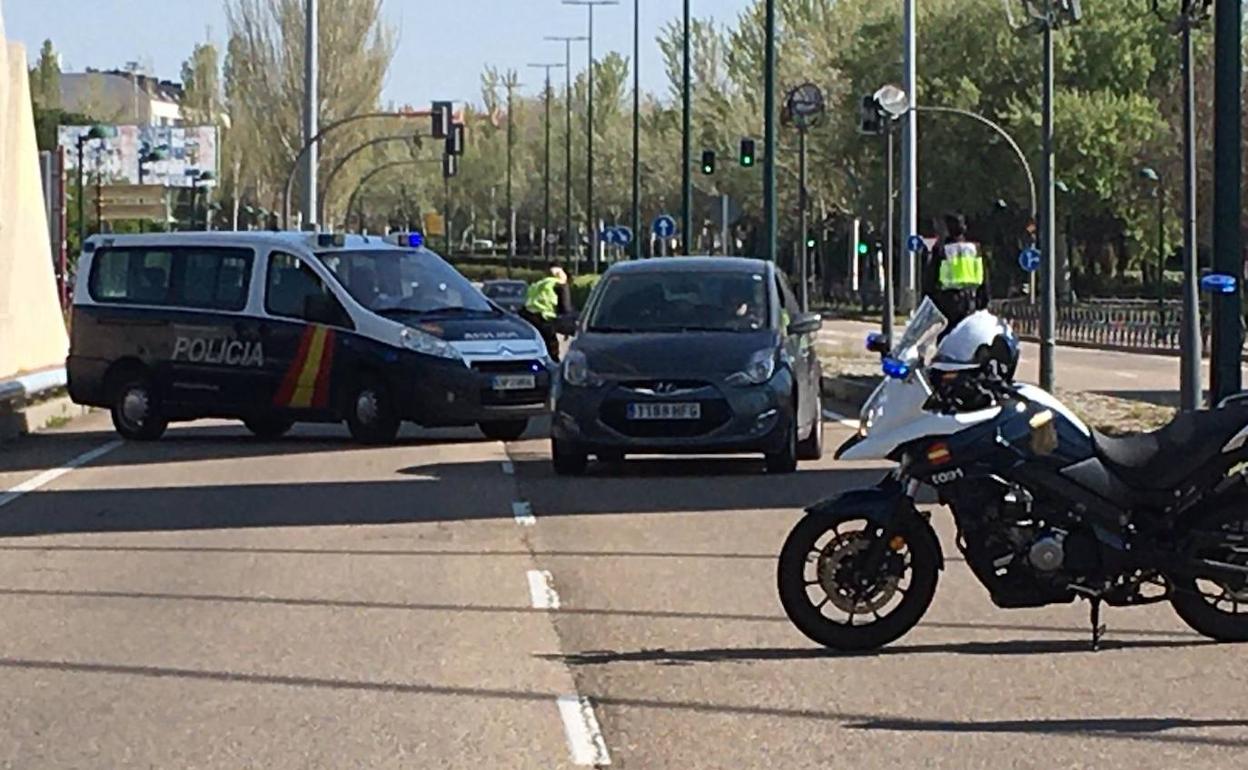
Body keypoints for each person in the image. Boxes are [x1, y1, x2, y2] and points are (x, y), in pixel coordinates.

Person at [922, 212, 989, 332]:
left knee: (948, 338)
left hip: (949, 301)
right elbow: (984, 276)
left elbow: (931, 277)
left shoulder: (942, 249)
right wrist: (984, 300)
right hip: (971, 299)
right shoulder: (975, 248)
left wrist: (928, 298)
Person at [522, 264, 572, 361]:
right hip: (545, 320)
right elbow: (565, 308)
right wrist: (568, 327)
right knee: (552, 352)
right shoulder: (560, 285)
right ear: (560, 274)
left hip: (529, 318)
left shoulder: (537, 284)